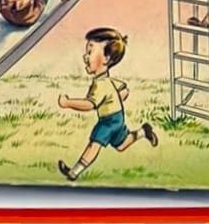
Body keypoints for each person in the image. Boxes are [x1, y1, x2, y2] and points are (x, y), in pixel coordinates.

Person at [58, 27, 156, 181]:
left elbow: (90, 105)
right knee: (121, 145)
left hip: (108, 121)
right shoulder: (106, 80)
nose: (85, 57)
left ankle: (74, 172)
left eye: (90, 52)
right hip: (117, 118)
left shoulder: (101, 84)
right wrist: (119, 97)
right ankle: (143, 132)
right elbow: (123, 89)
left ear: (106, 58)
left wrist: (67, 103)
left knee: (94, 143)